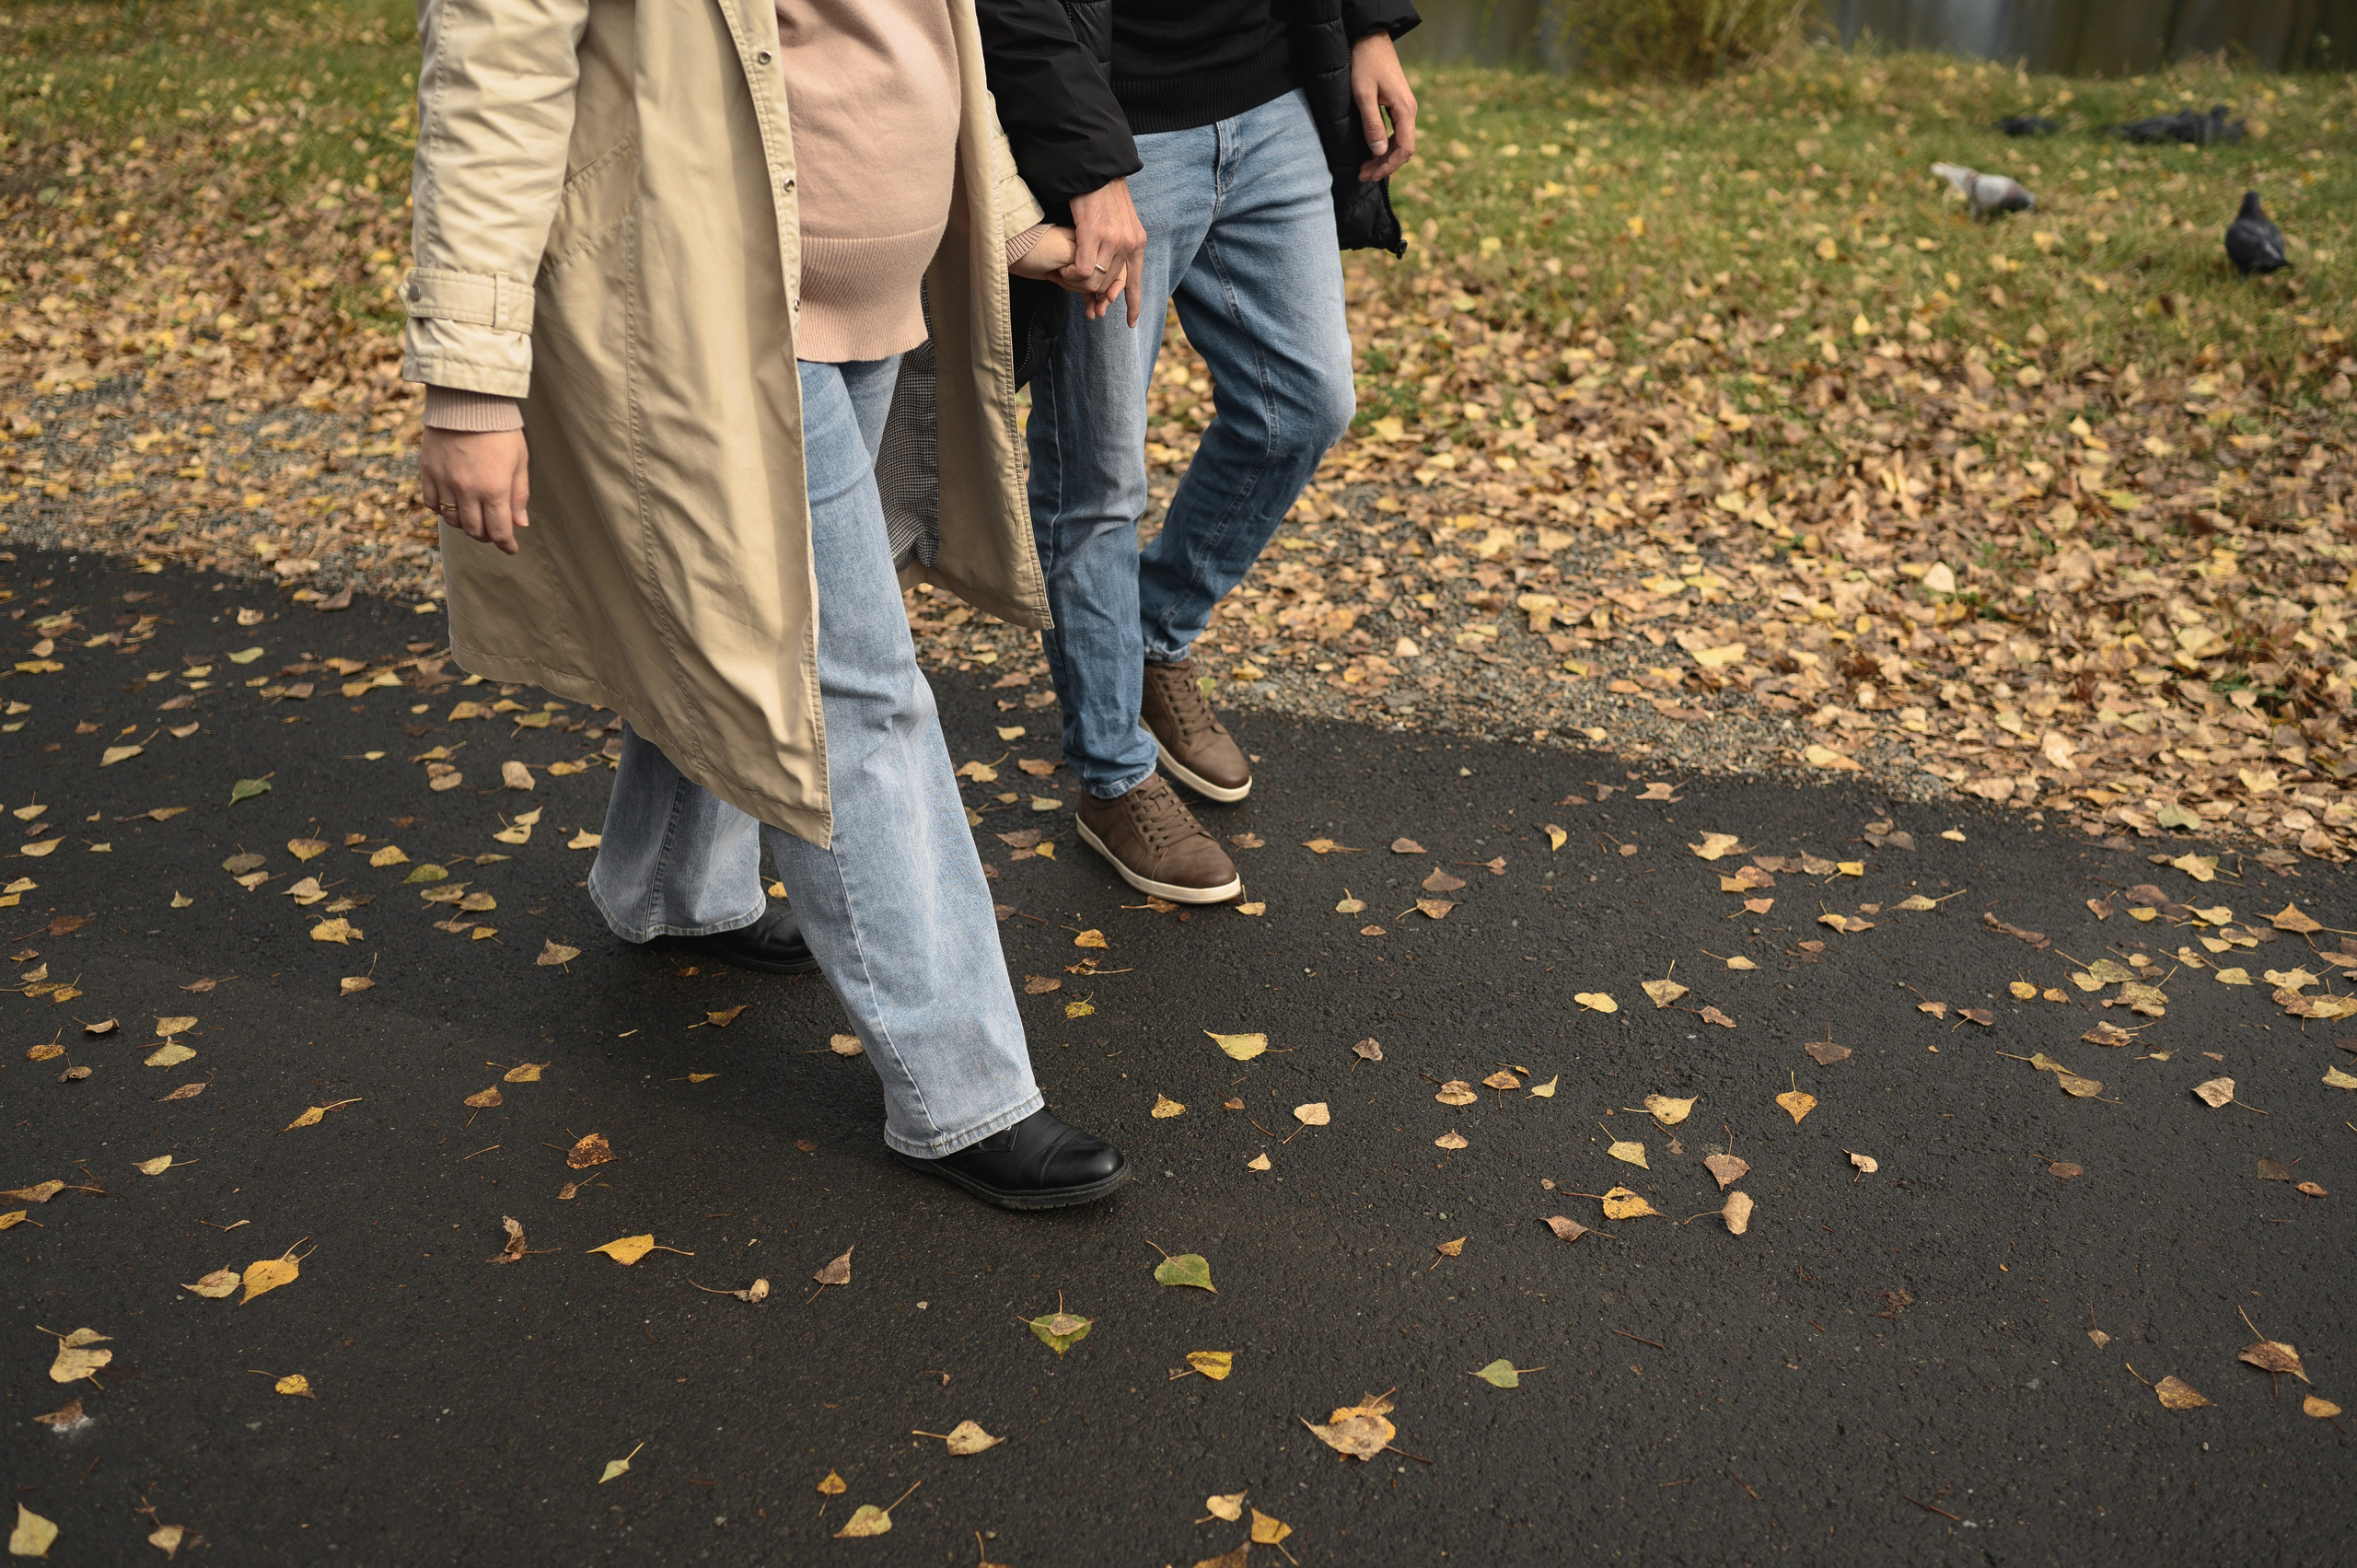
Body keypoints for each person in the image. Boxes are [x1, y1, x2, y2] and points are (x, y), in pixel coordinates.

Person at [404, 0, 1133, 1211]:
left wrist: (1005, 214)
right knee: (854, 686)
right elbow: (493, 79)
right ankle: (961, 1087)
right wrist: (470, 382)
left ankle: (673, 886)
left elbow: (918, 32)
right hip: (710, 319)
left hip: (874, 296)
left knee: (745, 619)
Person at [985, 0, 1421, 904]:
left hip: (1272, 97)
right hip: (1117, 129)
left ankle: (1148, 632)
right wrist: (1086, 159)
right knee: (1097, 479)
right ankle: (1112, 775)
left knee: (1305, 406)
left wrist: (1369, 25)